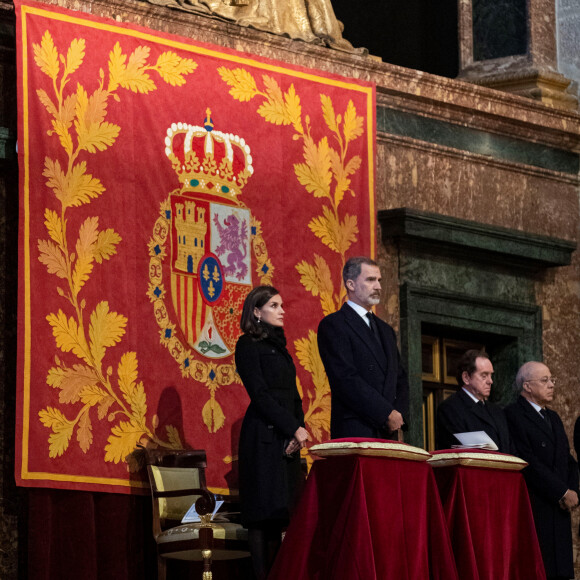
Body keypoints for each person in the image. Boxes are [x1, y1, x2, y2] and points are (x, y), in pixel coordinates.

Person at [235, 285, 310, 580]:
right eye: (274, 305)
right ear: (256, 311)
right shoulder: (247, 345)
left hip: (286, 437)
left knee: (282, 515)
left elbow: (292, 395)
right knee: (261, 516)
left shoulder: (280, 347)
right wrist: (292, 428)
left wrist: (298, 430)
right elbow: (261, 395)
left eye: (282, 305)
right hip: (262, 438)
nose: (282, 310)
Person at [317, 256, 409, 439]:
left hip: (388, 432)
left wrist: (398, 415)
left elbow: (400, 379)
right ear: (350, 284)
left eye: (379, 280)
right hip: (356, 429)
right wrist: (385, 413)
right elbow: (345, 379)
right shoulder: (334, 324)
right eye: (370, 280)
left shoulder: (386, 330)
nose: (378, 286)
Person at [505, 361, 579, 580]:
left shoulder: (554, 417)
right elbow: (528, 460)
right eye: (545, 380)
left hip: (561, 508)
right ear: (527, 386)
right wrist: (561, 492)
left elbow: (569, 460)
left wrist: (572, 491)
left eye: (552, 380)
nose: (552, 385)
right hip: (538, 504)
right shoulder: (513, 415)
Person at [436, 349, 513, 452]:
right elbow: (457, 452)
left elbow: (511, 449)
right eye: (484, 376)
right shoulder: (450, 409)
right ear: (466, 377)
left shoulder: (497, 411)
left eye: (491, 375)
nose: (490, 381)